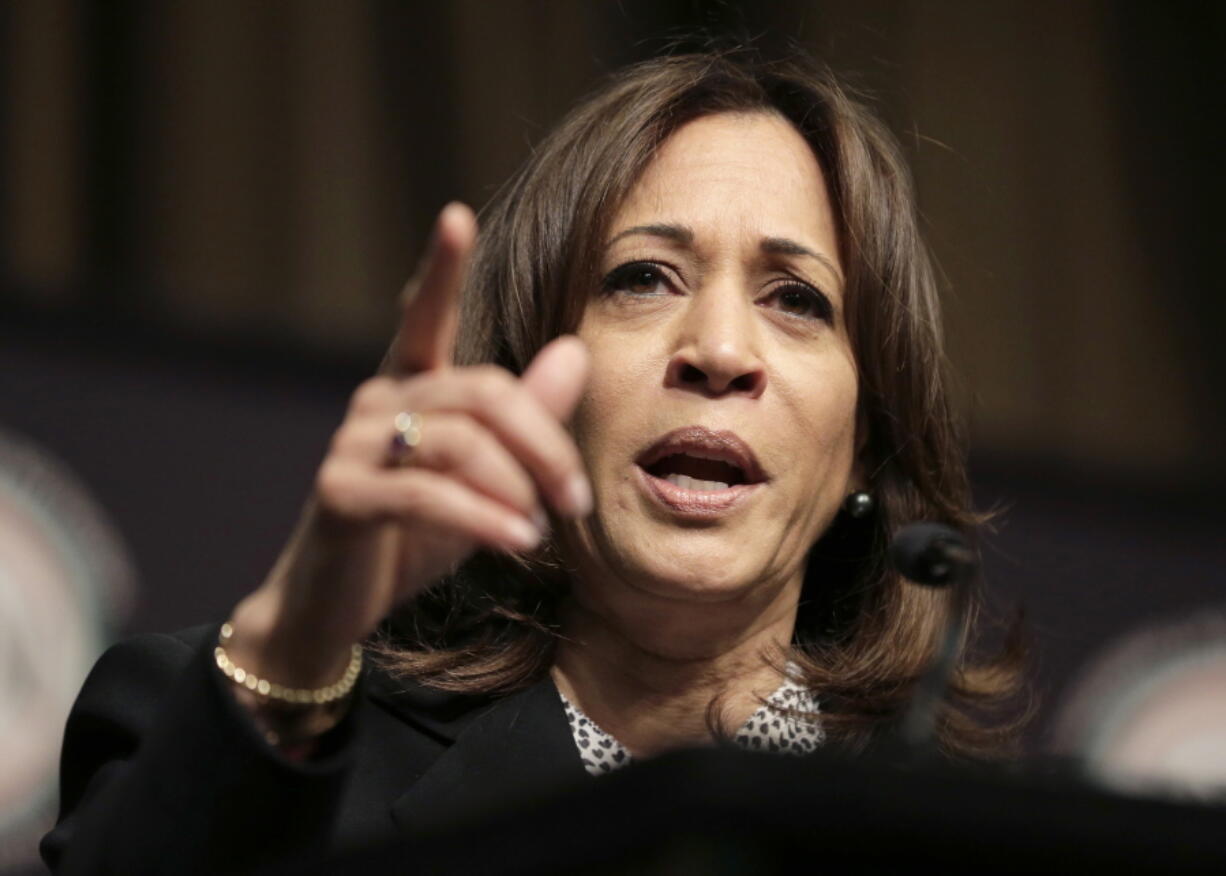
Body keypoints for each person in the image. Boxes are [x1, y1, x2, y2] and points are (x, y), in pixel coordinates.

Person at [42, 51, 1022, 873]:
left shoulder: (985, 843)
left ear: (867, 438)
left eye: (795, 298)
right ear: (519, 377)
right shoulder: (246, 737)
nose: (718, 349)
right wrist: (298, 636)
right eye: (642, 278)